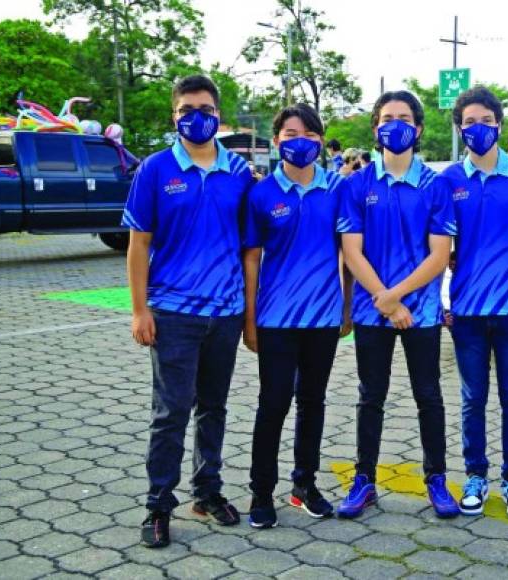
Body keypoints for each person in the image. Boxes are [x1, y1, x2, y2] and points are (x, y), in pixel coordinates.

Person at [122, 75, 254, 548]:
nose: (197, 116)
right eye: (186, 109)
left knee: (213, 407)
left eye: (205, 108)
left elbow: (249, 250)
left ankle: (208, 492)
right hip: (173, 314)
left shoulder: (239, 172)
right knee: (171, 411)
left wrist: (250, 317)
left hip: (225, 313)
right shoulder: (155, 170)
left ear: (218, 114)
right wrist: (140, 311)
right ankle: (158, 504)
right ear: (174, 116)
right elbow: (139, 244)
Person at [336, 90, 459, 519]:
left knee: (429, 395)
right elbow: (352, 252)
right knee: (371, 396)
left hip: (421, 313)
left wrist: (396, 297)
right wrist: (385, 303)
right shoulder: (357, 184)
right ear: (375, 127)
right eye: (387, 117)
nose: (396, 124)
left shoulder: (435, 185)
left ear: (419, 128)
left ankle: (437, 479)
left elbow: (439, 256)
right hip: (374, 313)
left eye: (404, 117)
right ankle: (364, 480)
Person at [243, 103, 353, 529]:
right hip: (275, 319)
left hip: (323, 319)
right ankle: (260, 492)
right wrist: (250, 321)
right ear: (276, 141)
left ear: (320, 142)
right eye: (290, 134)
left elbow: (348, 254)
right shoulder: (262, 193)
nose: (299, 142)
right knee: (273, 404)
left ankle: (304, 484)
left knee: (312, 402)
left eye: (308, 134)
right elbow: (252, 259)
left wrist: (345, 307)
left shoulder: (337, 190)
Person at [441, 86, 508, 519]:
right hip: (466, 310)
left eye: (486, 121)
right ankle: (476, 475)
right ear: (460, 128)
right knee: (472, 398)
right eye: (470, 122)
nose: (478, 129)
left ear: (499, 124)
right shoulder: (448, 180)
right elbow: (436, 242)